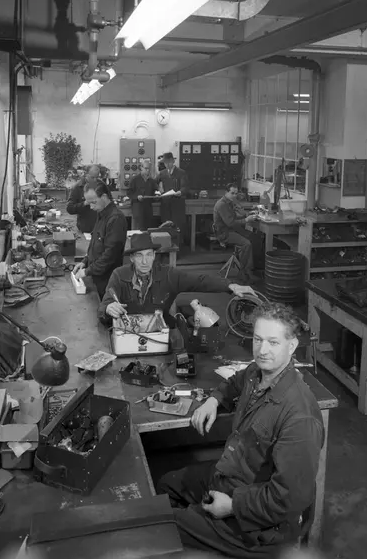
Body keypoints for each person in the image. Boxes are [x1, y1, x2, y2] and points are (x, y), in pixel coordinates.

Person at [157, 302, 325, 558]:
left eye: (273, 342)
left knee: (160, 529)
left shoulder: (300, 417)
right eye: (258, 339)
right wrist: (214, 400)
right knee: (167, 485)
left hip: (259, 528)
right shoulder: (257, 373)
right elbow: (235, 382)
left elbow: (289, 498)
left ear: (292, 346)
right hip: (231, 475)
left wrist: (233, 506)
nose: (262, 350)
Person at [98, 232, 255, 324]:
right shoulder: (119, 275)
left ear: (154, 256)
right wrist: (108, 308)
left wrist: (230, 285)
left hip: (160, 331)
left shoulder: (168, 275)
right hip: (128, 332)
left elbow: (199, 280)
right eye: (139, 256)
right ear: (132, 258)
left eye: (148, 255)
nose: (145, 261)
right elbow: (103, 306)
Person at [73, 181, 127, 299]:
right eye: (89, 203)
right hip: (97, 277)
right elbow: (95, 243)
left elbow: (110, 255)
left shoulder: (116, 219)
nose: (91, 207)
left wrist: (87, 271)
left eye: (93, 202)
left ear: (104, 197)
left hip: (107, 281)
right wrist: (85, 261)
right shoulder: (101, 213)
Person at [213, 183, 256, 283]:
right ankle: (243, 272)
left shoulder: (229, 202)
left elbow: (234, 217)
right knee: (247, 243)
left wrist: (246, 216)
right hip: (224, 233)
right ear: (226, 192)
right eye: (232, 193)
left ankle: (252, 268)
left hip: (230, 230)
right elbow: (231, 223)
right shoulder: (222, 204)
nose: (234, 195)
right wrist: (246, 220)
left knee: (254, 237)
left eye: (236, 193)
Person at [155, 152, 189, 239]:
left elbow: (185, 187)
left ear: (173, 161)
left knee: (177, 228)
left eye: (168, 162)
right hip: (166, 205)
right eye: (165, 163)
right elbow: (154, 183)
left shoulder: (181, 173)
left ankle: (178, 246)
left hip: (177, 204)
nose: (167, 164)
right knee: (165, 228)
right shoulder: (162, 173)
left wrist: (180, 192)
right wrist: (158, 191)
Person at [66, 164, 101, 233]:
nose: (95, 180)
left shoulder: (101, 186)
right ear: (86, 175)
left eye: (97, 177)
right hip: (86, 230)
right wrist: (85, 203)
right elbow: (70, 208)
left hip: (101, 228)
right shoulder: (77, 188)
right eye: (92, 177)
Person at [129, 160, 158, 230]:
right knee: (138, 230)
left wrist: (157, 196)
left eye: (149, 169)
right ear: (141, 168)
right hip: (138, 209)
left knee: (148, 230)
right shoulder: (135, 180)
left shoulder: (152, 181)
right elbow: (129, 193)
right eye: (146, 168)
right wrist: (137, 197)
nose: (147, 170)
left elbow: (154, 193)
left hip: (148, 209)